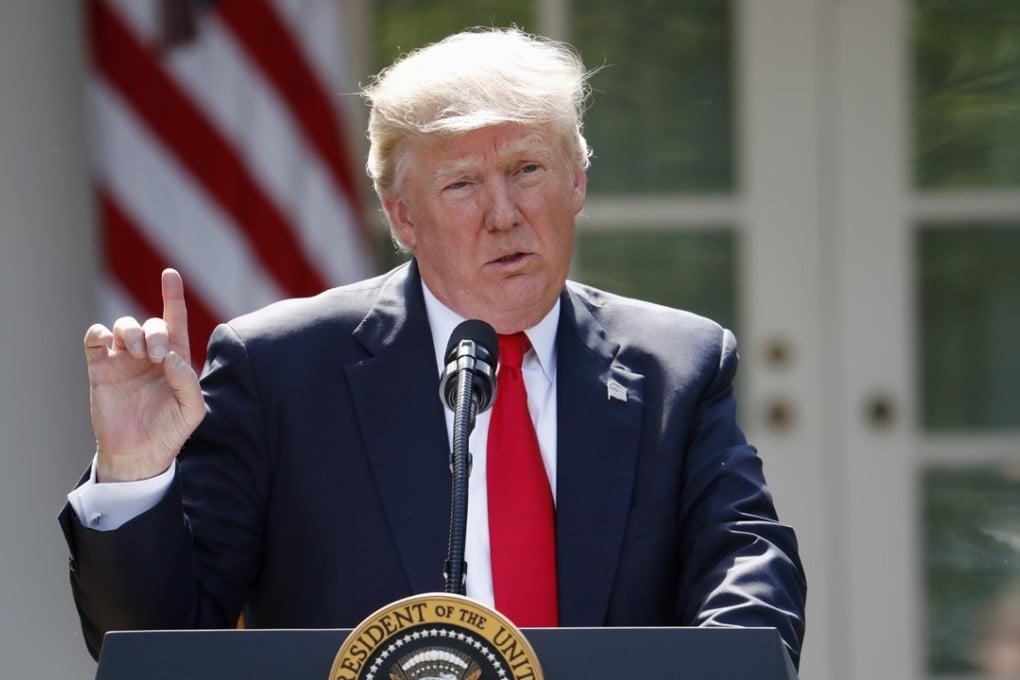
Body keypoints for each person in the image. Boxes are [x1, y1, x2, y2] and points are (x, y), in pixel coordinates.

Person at [60, 27, 807, 667]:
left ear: (577, 179)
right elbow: (159, 642)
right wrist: (132, 474)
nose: (503, 215)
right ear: (402, 216)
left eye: (527, 170)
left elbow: (746, 568)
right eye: (461, 186)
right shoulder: (281, 371)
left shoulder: (677, 364)